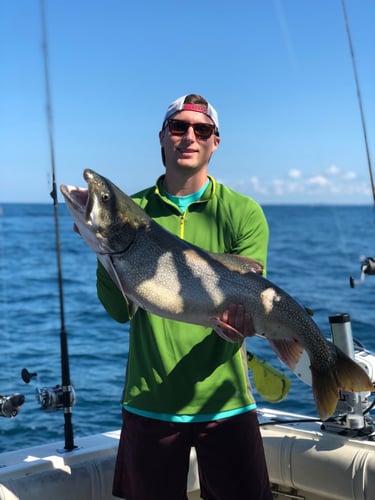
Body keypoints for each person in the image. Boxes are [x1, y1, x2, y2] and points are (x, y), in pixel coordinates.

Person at [96, 94, 272, 499]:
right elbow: (118, 312)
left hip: (226, 404)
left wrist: (241, 325)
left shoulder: (243, 213)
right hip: (148, 403)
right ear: (162, 137)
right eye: (178, 127)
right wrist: (104, 254)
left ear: (215, 142)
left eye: (202, 129)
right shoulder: (131, 209)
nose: (189, 136)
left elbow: (249, 299)